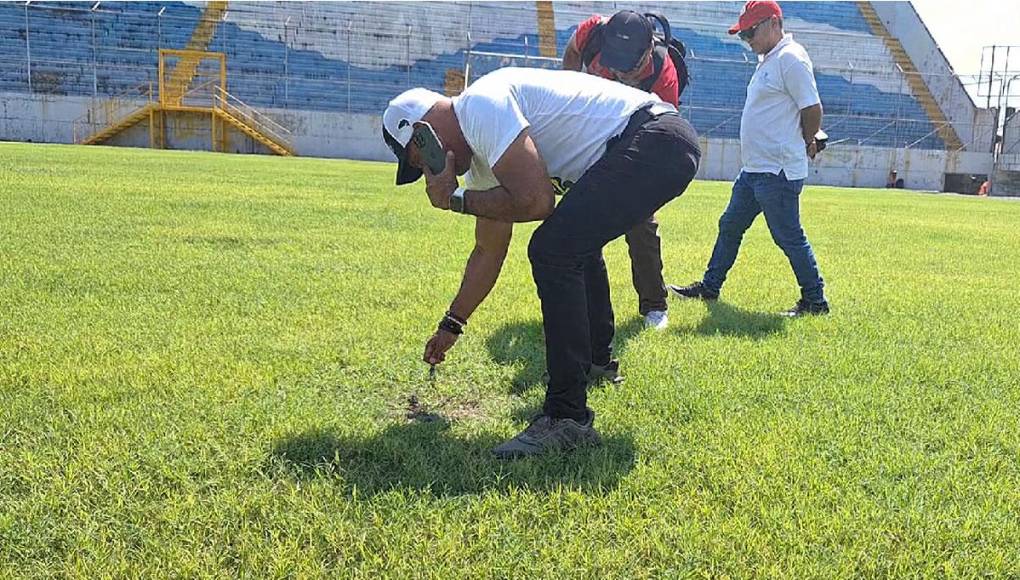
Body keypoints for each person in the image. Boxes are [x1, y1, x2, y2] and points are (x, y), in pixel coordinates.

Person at [382, 67, 700, 459]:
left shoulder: (479, 107)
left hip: (655, 139)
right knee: (572, 241)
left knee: (554, 248)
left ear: (423, 132)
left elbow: (535, 201)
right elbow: (488, 250)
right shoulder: (483, 154)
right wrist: (452, 323)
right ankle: (597, 363)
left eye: (420, 159)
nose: (428, 171)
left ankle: (567, 417)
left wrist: (454, 199)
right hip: (655, 140)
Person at [669, 0, 829, 317]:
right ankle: (710, 287)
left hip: (777, 170)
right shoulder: (771, 58)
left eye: (750, 33)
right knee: (730, 225)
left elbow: (812, 108)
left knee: (789, 237)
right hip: (756, 169)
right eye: (743, 35)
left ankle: (815, 301)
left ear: (773, 24)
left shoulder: (791, 59)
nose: (748, 40)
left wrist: (808, 140)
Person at [562, 10, 685, 329]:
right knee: (574, 220)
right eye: (614, 61)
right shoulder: (592, 32)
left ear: (647, 51)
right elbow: (573, 50)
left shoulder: (664, 75)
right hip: (589, 134)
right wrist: (571, 90)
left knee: (641, 224)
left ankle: (655, 307)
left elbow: (663, 134)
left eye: (629, 66)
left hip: (637, 141)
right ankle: (579, 305)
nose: (619, 72)